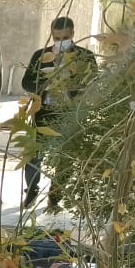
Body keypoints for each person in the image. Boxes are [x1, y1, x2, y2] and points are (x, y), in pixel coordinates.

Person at [19, 16, 98, 209]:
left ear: (72, 34)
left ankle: (55, 195)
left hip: (69, 113)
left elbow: (94, 83)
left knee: (66, 156)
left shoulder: (85, 56)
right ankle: (31, 190)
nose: (60, 42)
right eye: (56, 38)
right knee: (34, 154)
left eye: (65, 38)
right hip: (43, 112)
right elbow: (26, 82)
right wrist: (46, 82)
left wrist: (74, 86)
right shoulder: (41, 55)